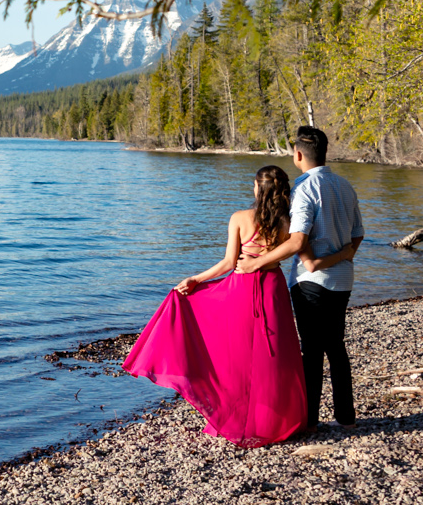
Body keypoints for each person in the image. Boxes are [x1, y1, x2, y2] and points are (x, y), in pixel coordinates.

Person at [119, 165, 307, 447]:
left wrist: (196, 279)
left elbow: (228, 264)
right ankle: (276, 421)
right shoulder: (288, 222)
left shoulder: (240, 218)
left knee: (238, 355)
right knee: (275, 354)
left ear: (257, 188)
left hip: (242, 290)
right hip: (272, 288)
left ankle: (235, 419)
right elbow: (295, 247)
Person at [236, 126, 363, 430]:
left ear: (298, 154)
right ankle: (346, 417)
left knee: (312, 350)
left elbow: (296, 240)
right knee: (336, 346)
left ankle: (309, 420)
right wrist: (335, 258)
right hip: (343, 280)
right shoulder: (346, 186)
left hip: (311, 284)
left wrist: (256, 264)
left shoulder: (304, 189)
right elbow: (357, 237)